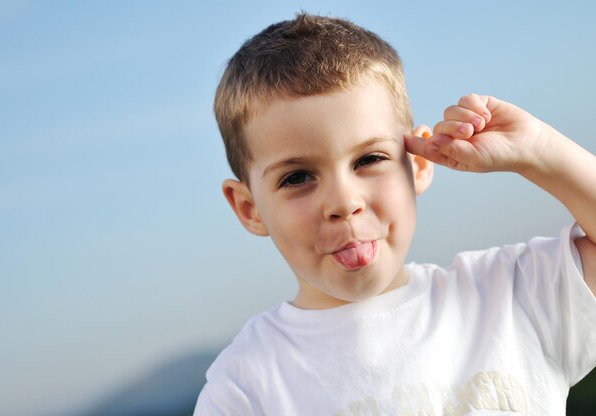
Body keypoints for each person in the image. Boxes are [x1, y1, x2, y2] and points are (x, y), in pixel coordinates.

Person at [194, 13, 596, 415]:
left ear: (418, 164)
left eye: (369, 158)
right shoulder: (244, 388)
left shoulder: (511, 297)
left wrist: (541, 151)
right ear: (249, 209)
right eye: (297, 177)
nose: (343, 202)